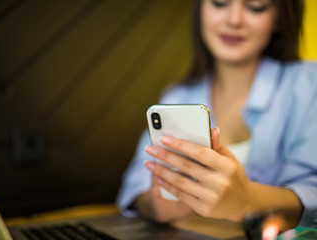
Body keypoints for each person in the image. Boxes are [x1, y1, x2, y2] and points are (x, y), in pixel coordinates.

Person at [116, 0, 317, 231]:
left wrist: (248, 199)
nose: (234, 20)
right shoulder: (178, 96)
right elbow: (135, 185)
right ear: (200, 10)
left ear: (279, 18)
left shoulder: (310, 86)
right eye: (220, 3)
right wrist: (155, 205)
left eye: (256, 7)